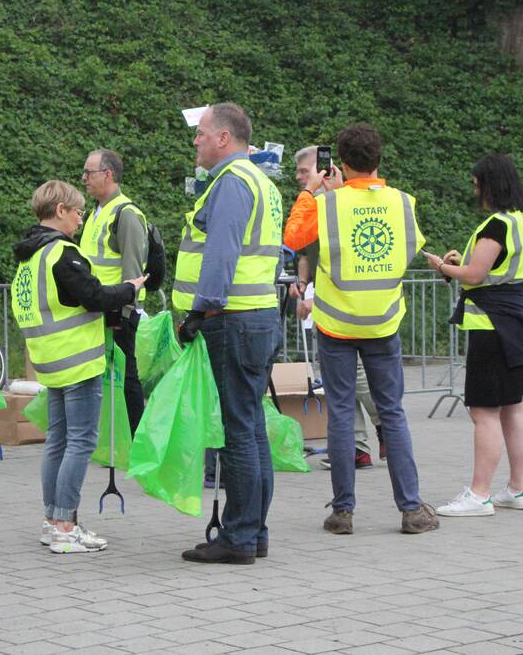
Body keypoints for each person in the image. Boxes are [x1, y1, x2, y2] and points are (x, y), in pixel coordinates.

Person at [284, 122, 438, 535]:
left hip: (337, 324)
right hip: (383, 322)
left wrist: (312, 192)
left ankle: (343, 512)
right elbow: (408, 250)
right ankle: (411, 509)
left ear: (341, 163)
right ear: (378, 158)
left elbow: (293, 238)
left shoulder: (328, 204)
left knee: (339, 413)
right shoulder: (402, 202)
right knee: (393, 413)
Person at [11, 180, 146, 554]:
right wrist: (130, 288)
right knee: (81, 441)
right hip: (79, 360)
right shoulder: (62, 253)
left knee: (57, 440)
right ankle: (66, 527)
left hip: (50, 360)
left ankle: (52, 520)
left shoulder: (29, 255)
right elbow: (94, 296)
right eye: (77, 212)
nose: (80, 219)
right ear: (60, 211)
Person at [175, 103, 283, 565]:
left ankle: (238, 537)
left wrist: (199, 311)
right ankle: (253, 531)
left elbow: (221, 254)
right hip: (257, 315)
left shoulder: (232, 182)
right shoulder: (261, 181)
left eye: (201, 132)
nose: (195, 140)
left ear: (223, 137)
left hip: (232, 318)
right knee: (251, 427)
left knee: (237, 432)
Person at [423, 154, 523, 517]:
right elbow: (500, 269)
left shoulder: (497, 225)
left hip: (492, 327)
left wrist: (442, 266)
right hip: (521, 322)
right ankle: (518, 489)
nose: (475, 190)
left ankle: (479, 495)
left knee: (484, 412)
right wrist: (458, 265)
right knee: (513, 408)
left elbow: (476, 275)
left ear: (491, 185)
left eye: (477, 184)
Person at [289, 146, 384, 470]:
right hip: (327, 302)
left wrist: (315, 299)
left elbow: (350, 260)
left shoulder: (341, 203)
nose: (299, 177)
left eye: (304, 171)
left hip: (349, 305)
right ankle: (357, 447)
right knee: (338, 381)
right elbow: (306, 252)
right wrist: (303, 284)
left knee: (352, 377)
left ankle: (385, 424)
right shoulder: (315, 203)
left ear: (323, 169)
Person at [79, 148, 148, 435]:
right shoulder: (95, 213)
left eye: (89, 172)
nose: (83, 178)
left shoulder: (126, 214)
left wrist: (125, 311)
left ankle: (135, 438)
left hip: (118, 314)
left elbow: (133, 271)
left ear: (107, 174)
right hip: (98, 310)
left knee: (127, 378)